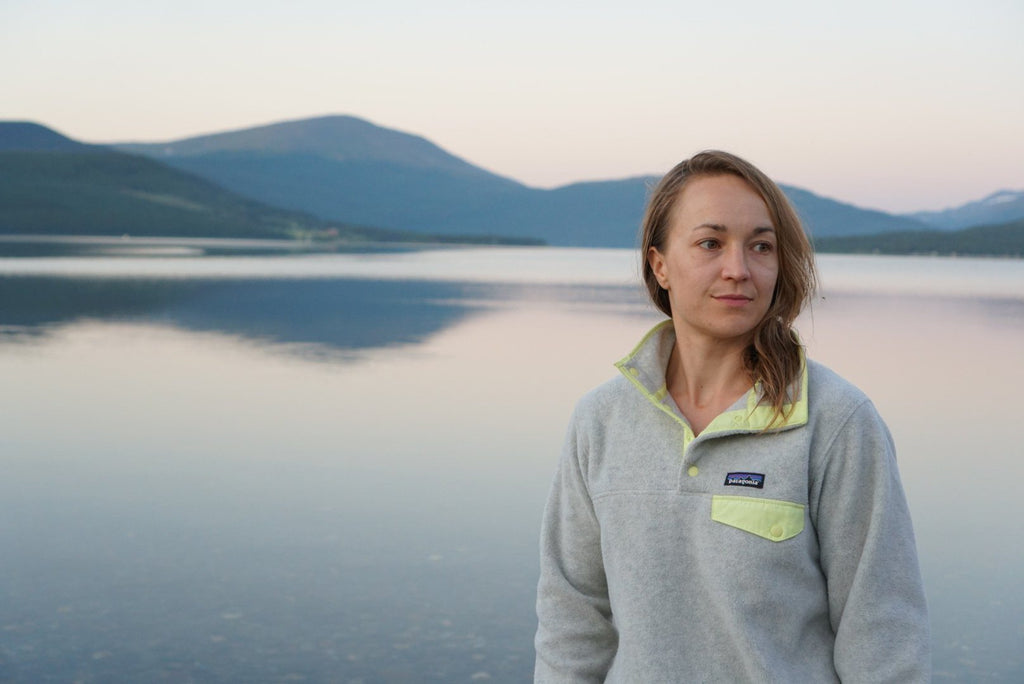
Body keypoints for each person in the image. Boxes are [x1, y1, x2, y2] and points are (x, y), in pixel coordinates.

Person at [534, 150, 930, 682]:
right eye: (710, 243)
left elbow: (883, 637)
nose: (738, 269)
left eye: (761, 246)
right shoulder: (600, 421)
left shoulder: (836, 422)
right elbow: (573, 622)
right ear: (660, 265)